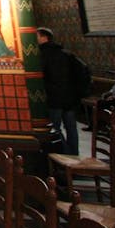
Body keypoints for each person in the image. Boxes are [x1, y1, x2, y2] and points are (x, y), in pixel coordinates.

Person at [37, 27, 79, 155]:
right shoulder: (66, 54)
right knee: (71, 128)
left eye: (37, 36)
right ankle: (73, 154)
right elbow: (81, 73)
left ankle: (63, 155)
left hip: (53, 97)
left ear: (44, 37)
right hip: (69, 97)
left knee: (54, 128)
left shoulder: (42, 55)